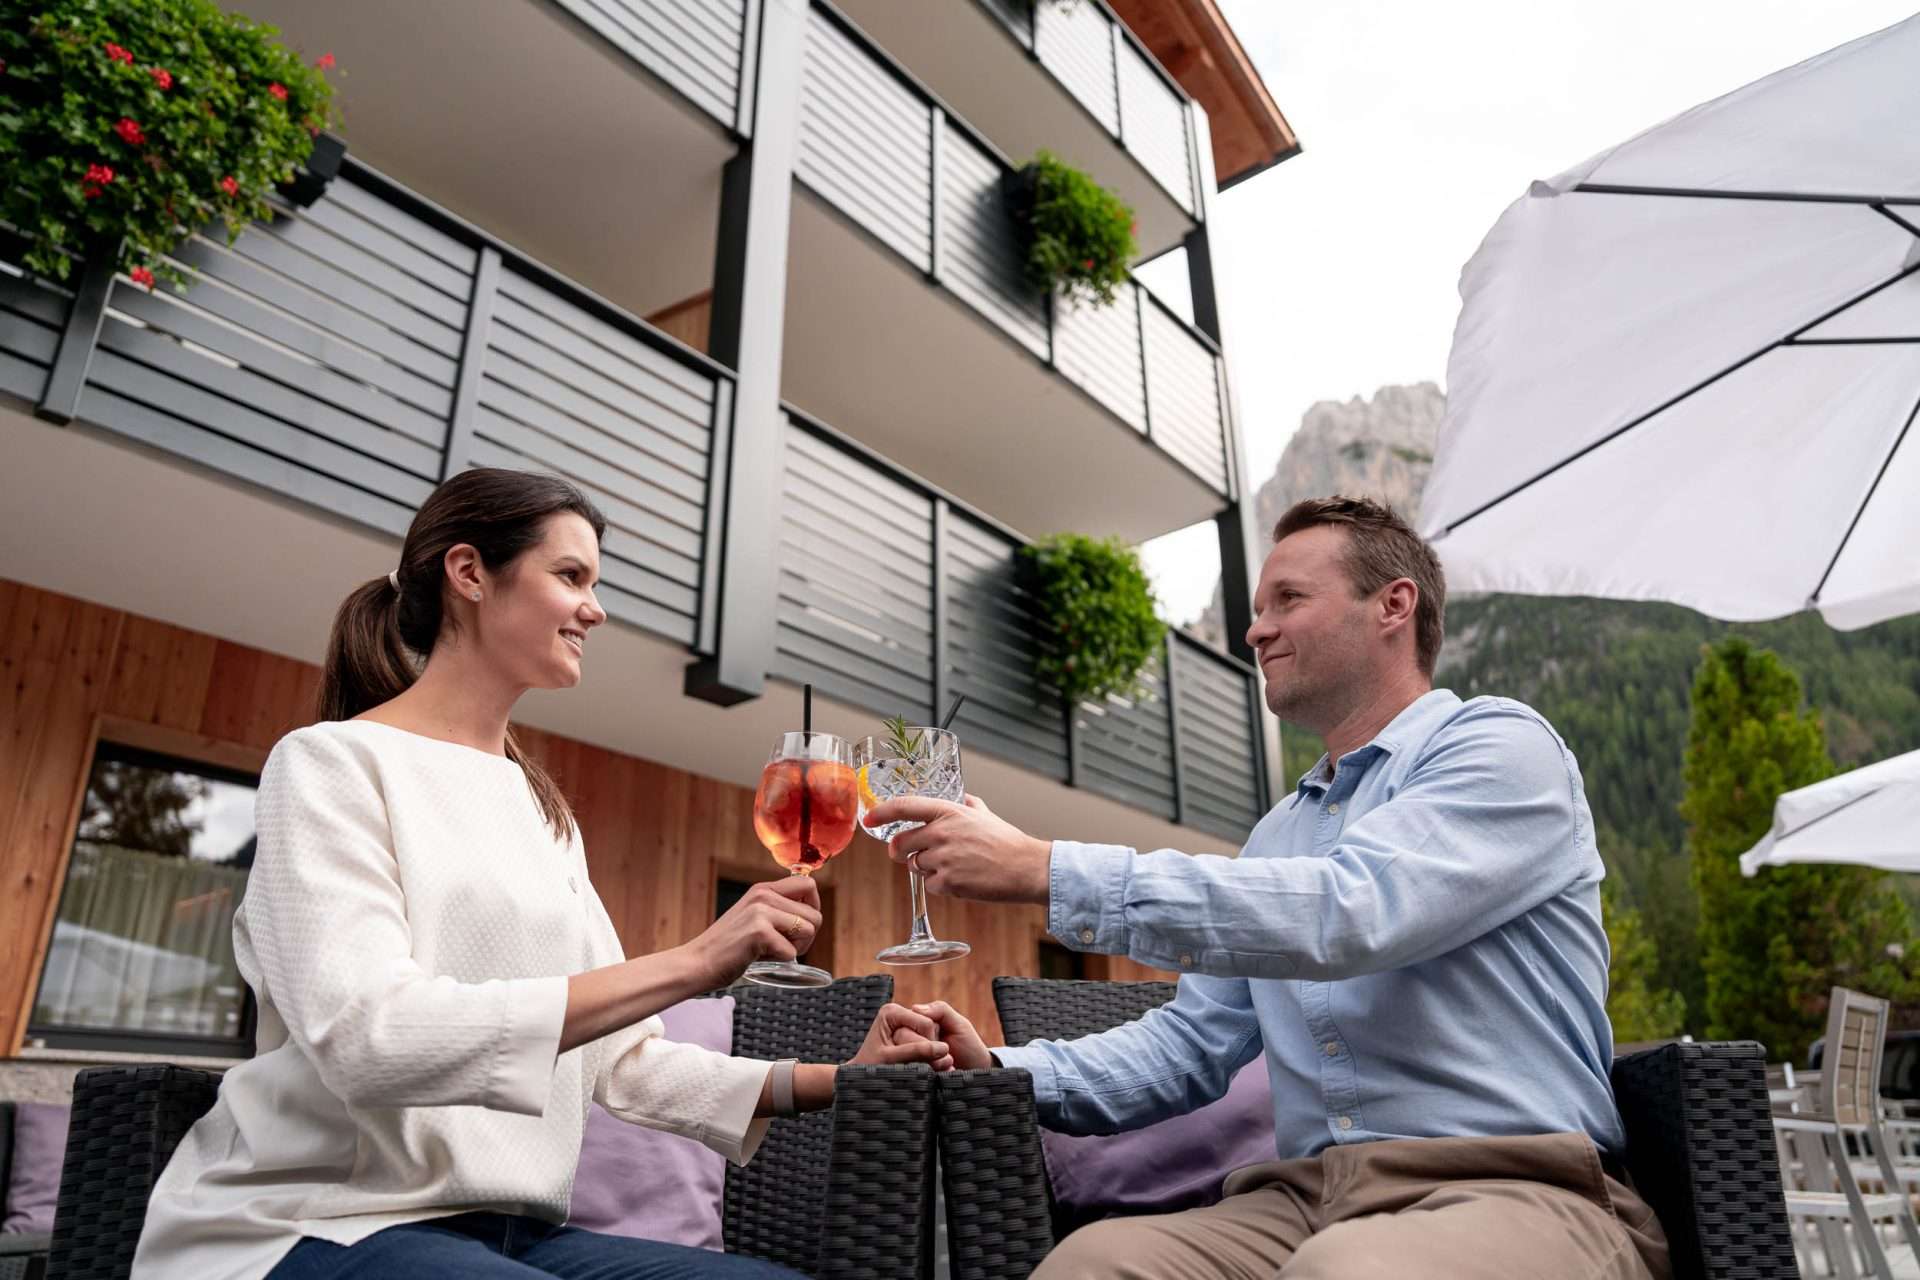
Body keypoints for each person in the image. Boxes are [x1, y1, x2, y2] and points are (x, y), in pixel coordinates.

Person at [133, 468, 951, 1280]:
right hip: (316, 1222)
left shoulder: (543, 812)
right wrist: (695, 962)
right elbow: (366, 1036)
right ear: (469, 573)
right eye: (571, 576)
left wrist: (836, 1079)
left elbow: (624, 1061)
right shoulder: (330, 764)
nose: (595, 608)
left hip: (512, 1234)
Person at [863, 496, 1672, 1280]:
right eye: (1257, 609)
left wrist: (1045, 869)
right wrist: (999, 1065)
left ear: (1393, 606)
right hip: (1305, 1200)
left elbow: (1348, 912)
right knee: (1092, 1264)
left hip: (1515, 1186)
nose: (1255, 630)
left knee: (1345, 1272)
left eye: (1288, 599)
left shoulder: (1501, 748)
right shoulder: (1280, 832)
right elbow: (1189, 1048)